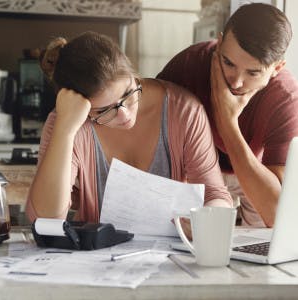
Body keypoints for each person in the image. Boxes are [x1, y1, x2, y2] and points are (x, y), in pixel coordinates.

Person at [25, 31, 232, 237]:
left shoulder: (184, 111)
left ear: (133, 73)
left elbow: (215, 195)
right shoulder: (66, 122)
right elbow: (45, 220)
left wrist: (207, 220)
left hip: (170, 259)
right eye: (104, 110)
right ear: (81, 107)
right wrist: (65, 130)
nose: (124, 115)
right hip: (94, 262)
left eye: (128, 93)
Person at [157, 3, 298, 228]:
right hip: (195, 167)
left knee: (267, 242)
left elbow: (276, 213)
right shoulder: (189, 64)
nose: (236, 81)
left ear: (277, 68)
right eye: (228, 63)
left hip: (255, 169)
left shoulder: (285, 98)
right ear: (219, 44)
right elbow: (149, 130)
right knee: (189, 234)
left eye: (253, 72)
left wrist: (227, 122)